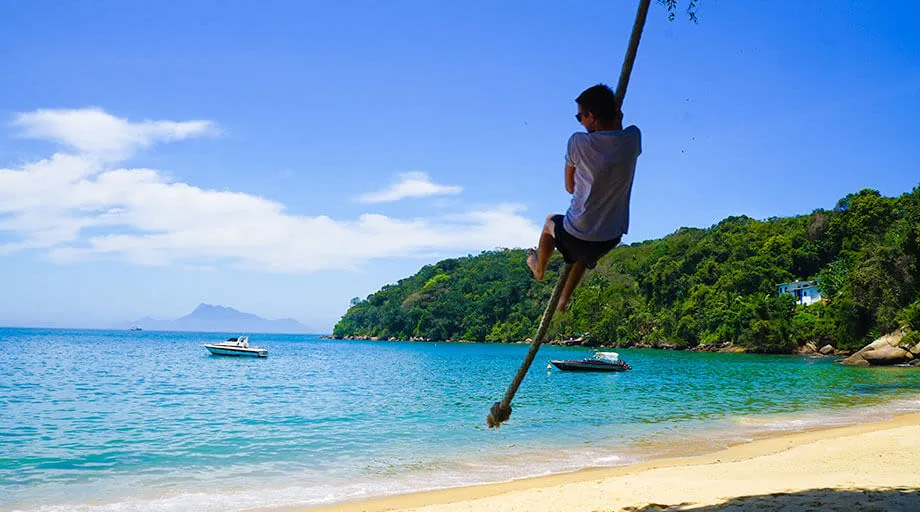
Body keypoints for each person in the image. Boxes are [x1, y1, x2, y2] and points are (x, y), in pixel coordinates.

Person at [526, 83, 642, 311]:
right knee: (581, 254)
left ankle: (539, 269)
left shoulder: (578, 142)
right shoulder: (633, 138)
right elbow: (620, 126)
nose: (579, 122)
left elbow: (569, 187)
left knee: (551, 221)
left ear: (591, 116)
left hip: (577, 234)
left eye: (580, 117)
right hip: (610, 237)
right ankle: (564, 299)